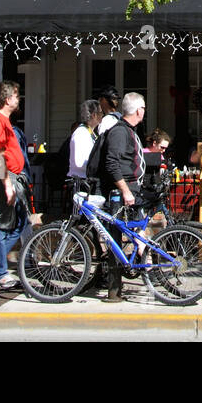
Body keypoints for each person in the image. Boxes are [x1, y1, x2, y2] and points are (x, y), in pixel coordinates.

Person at [95, 92, 147, 302]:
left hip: (131, 190)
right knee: (116, 236)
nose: (144, 111)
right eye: (143, 107)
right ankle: (114, 288)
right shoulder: (119, 132)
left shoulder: (129, 130)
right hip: (121, 193)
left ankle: (143, 266)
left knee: (138, 230)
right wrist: (125, 190)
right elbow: (111, 163)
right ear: (137, 110)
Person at [0, 81, 29, 291]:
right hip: (1, 177)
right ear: (7, 98)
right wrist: (7, 184)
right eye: (16, 96)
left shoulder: (5, 122)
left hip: (11, 177)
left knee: (19, 222)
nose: (18, 100)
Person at [67, 99, 104, 182]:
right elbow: (79, 162)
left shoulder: (90, 132)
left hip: (87, 180)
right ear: (94, 115)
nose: (102, 115)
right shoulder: (81, 133)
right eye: (101, 112)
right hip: (81, 182)